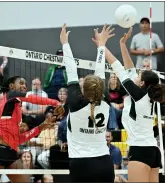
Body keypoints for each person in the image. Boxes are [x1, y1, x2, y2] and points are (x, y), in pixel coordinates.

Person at [98, 26, 165, 182]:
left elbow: (119, 68)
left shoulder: (138, 95)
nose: (135, 72)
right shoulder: (150, 96)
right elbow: (129, 68)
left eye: (139, 73)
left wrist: (102, 46)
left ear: (141, 83)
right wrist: (122, 45)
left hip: (140, 151)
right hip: (153, 151)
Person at [0, 76, 64, 183]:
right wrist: (56, 103)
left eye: (25, 84)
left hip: (10, 152)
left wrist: (41, 126)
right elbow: (32, 98)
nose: (24, 86)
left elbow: (19, 139)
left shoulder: (16, 112)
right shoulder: (10, 95)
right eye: (21, 83)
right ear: (11, 86)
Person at [60, 23, 115, 182]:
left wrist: (65, 43)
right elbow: (100, 72)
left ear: (83, 89)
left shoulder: (75, 104)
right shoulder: (105, 102)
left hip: (81, 165)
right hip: (105, 163)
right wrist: (101, 46)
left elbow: (71, 69)